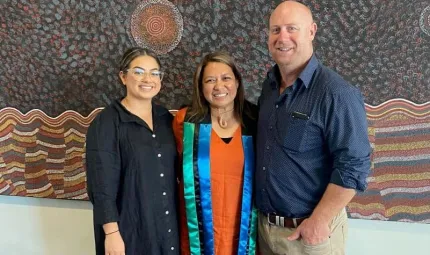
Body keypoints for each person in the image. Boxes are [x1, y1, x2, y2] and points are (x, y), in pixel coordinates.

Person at [256, 1, 371, 255]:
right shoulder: (269, 86)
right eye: (275, 30)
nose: (282, 37)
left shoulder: (336, 93)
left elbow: (354, 165)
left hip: (309, 237)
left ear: (311, 31)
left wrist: (318, 222)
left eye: (291, 28)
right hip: (265, 233)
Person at [85, 47, 179, 255]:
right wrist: (111, 234)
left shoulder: (166, 119)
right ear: (123, 76)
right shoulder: (107, 123)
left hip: (166, 228)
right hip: (128, 231)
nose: (148, 79)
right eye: (138, 71)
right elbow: (101, 187)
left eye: (155, 73)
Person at [173, 51, 258, 255]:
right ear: (201, 88)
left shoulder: (256, 121)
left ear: (237, 82)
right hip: (198, 235)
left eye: (226, 78)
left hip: (246, 233)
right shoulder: (185, 123)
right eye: (210, 80)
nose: (219, 86)